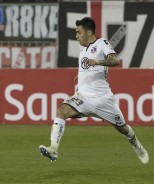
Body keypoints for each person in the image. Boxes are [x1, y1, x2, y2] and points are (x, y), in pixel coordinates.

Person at [39, 17, 149, 164]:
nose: (76, 35)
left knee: (122, 128)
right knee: (62, 111)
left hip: (103, 99)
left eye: (79, 32)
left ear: (89, 32)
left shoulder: (101, 43)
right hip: (84, 98)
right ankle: (53, 148)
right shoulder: (82, 47)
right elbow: (86, 66)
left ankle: (137, 145)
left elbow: (115, 60)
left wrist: (98, 62)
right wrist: (80, 75)